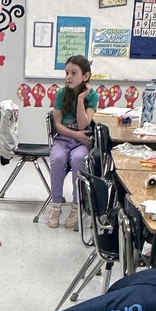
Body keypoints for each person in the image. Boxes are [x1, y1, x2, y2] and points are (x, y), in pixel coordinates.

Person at [47, 55, 99, 230]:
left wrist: (80, 100)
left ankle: (76, 207)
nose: (68, 77)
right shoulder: (61, 94)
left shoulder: (92, 96)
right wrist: (75, 135)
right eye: (67, 72)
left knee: (79, 160)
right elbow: (58, 126)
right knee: (57, 159)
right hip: (64, 139)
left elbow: (84, 124)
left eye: (73, 73)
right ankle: (56, 206)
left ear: (85, 76)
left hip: (82, 143)